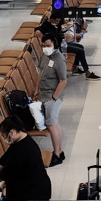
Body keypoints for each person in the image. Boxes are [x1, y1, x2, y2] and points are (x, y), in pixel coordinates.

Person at [36, 33, 70, 166]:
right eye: (43, 46)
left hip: (52, 97)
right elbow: (40, 74)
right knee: (54, 124)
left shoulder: (59, 59)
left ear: (54, 44)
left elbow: (63, 81)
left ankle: (56, 154)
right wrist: (36, 90)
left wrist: (54, 98)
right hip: (43, 94)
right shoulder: (44, 56)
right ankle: (59, 151)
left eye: (48, 45)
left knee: (51, 125)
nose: (45, 48)